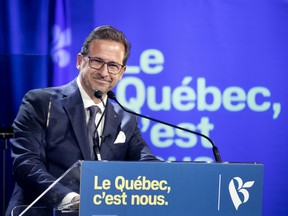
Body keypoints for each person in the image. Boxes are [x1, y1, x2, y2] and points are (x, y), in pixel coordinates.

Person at [6, 25, 158, 216]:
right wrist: (70, 199)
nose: (104, 72)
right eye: (97, 61)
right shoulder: (41, 102)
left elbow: (146, 161)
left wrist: (165, 179)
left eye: (113, 65)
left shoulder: (125, 117)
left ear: (122, 71)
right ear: (80, 61)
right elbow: (26, 163)